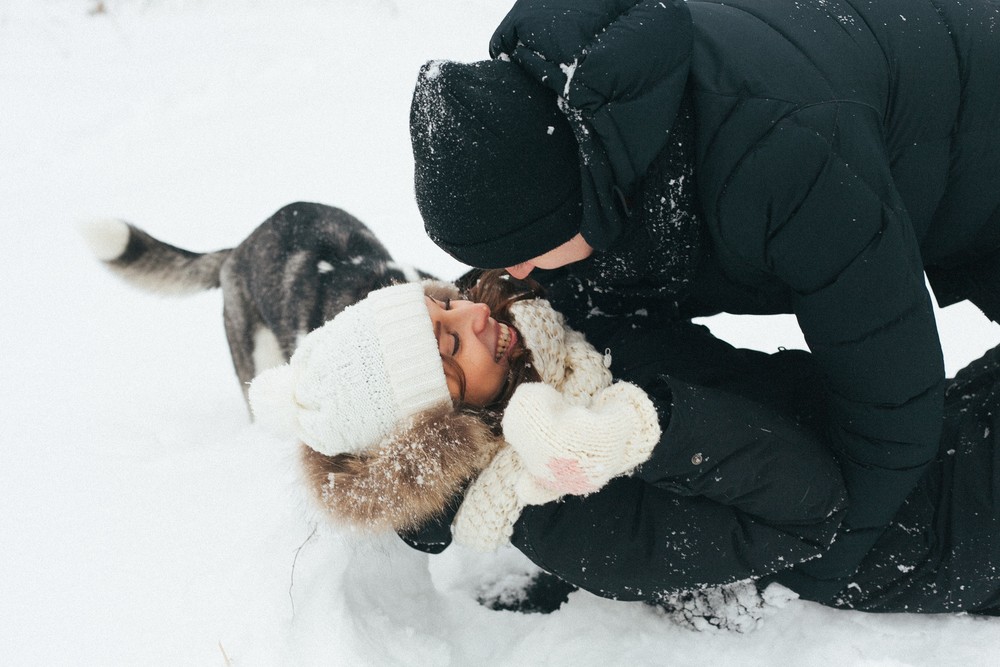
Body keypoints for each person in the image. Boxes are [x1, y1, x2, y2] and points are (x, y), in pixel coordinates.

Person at [408, 0, 1000, 602]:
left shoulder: (775, 156)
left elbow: (893, 400)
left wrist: (822, 567)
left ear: (573, 203)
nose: (508, 279)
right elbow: (485, 305)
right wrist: (418, 465)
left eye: (525, 251)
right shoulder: (575, 131)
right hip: (935, 151)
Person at [249, 270, 999, 622]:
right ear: (435, 428)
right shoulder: (565, 516)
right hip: (930, 526)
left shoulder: (559, 347)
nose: (475, 316)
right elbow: (812, 507)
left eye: (444, 303)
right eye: (449, 348)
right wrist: (639, 432)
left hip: (924, 426)